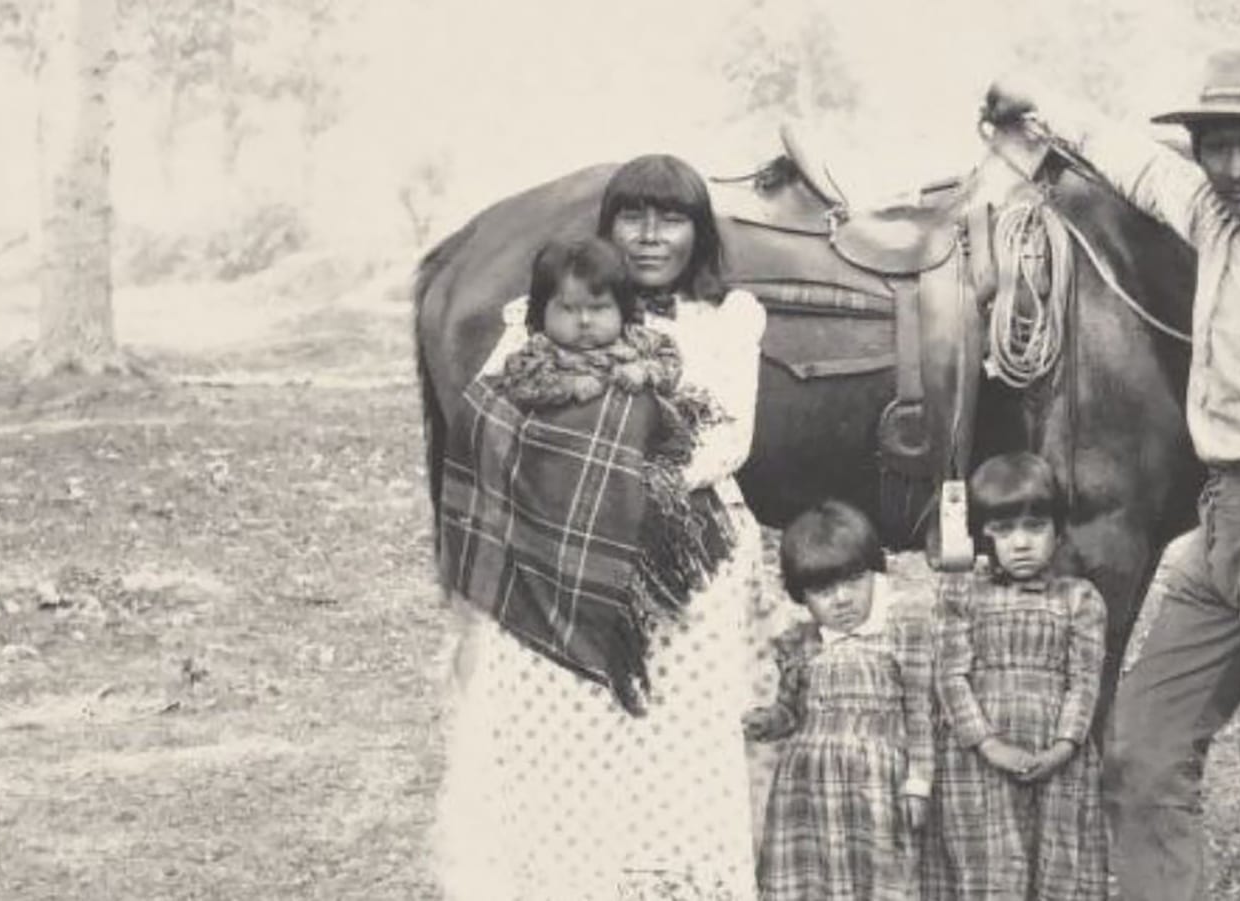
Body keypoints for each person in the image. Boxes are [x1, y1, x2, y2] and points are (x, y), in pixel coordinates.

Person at [983, 48, 1240, 900]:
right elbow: (1134, 164)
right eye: (1217, 145)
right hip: (1223, 520)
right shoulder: (1219, 217)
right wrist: (1042, 95)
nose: (1237, 166)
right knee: (1143, 749)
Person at [432, 154, 769, 901]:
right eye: (633, 217)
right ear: (608, 225)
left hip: (679, 561)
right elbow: (490, 417)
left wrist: (626, 497)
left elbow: (728, 437)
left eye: (671, 218)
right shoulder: (548, 308)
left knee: (672, 738)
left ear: (698, 231)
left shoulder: (728, 318)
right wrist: (559, 495)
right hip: (552, 555)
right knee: (564, 734)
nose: (651, 237)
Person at [930, 452, 1110, 901]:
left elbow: (1085, 679)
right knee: (991, 869)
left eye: (1035, 527)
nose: (1021, 544)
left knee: (1058, 868)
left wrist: (1063, 746)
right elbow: (951, 676)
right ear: (982, 536)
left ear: (1059, 530)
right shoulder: (962, 596)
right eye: (1004, 531)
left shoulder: (1080, 599)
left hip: (1057, 759)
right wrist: (989, 744)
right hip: (979, 759)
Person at [744, 500, 935, 901]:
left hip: (877, 786)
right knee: (816, 876)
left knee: (883, 875)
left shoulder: (900, 636)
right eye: (823, 590)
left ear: (875, 576)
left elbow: (920, 714)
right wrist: (769, 720)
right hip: (809, 787)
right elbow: (792, 711)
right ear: (801, 597)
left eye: (853, 581)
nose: (842, 599)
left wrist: (919, 782)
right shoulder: (800, 644)